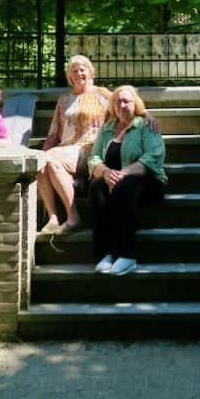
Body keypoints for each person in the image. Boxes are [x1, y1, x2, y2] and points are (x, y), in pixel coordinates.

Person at [87, 84, 166, 277]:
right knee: (96, 188)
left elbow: (153, 157)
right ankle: (106, 254)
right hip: (113, 181)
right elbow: (93, 157)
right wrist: (105, 173)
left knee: (124, 188)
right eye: (117, 102)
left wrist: (123, 173)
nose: (121, 105)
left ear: (135, 104)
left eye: (126, 101)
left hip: (146, 181)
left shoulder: (145, 125)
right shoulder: (107, 128)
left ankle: (127, 255)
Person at [37, 54, 111, 235]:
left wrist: (146, 116)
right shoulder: (64, 100)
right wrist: (42, 153)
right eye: (74, 71)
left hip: (88, 148)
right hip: (64, 150)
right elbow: (54, 132)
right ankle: (53, 218)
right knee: (41, 162)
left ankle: (73, 217)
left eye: (82, 70)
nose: (79, 74)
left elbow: (128, 106)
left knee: (51, 159)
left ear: (90, 71)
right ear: (69, 75)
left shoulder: (102, 95)